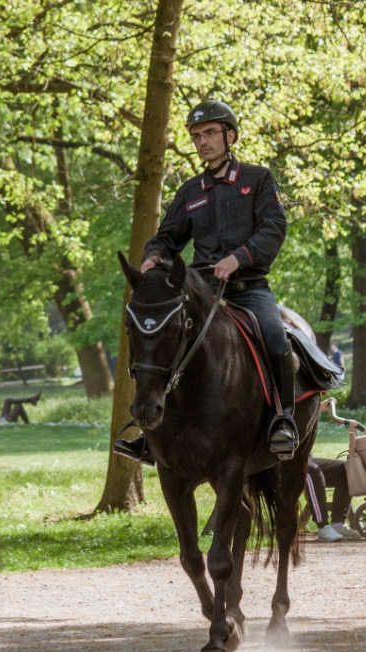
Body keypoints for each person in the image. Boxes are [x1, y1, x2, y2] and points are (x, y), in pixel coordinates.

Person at [114, 100, 296, 465]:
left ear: (230, 136)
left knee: (276, 337)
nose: (202, 142)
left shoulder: (258, 179)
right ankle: (150, 435)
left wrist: (239, 257)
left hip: (249, 289)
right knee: (161, 338)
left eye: (210, 133)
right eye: (196, 136)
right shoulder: (189, 192)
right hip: (204, 291)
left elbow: (274, 228)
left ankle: (283, 419)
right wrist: (153, 255)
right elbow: (167, 237)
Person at [306, 457, 364, 541]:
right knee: (312, 471)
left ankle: (338, 525)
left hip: (304, 456)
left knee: (346, 470)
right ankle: (323, 526)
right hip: (285, 459)